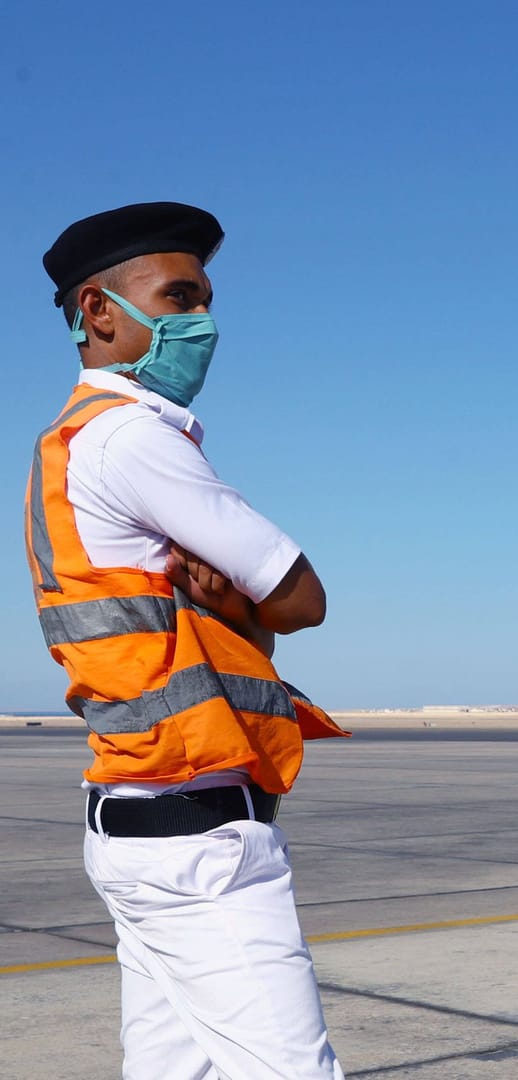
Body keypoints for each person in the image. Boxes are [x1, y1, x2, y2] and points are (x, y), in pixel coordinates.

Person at [29, 202, 348, 1079]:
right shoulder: (133, 438)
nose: (199, 323)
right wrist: (257, 608)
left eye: (204, 302)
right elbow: (302, 599)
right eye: (177, 297)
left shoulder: (66, 446)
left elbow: (247, 637)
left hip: (142, 829)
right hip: (197, 846)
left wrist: (242, 615)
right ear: (99, 311)